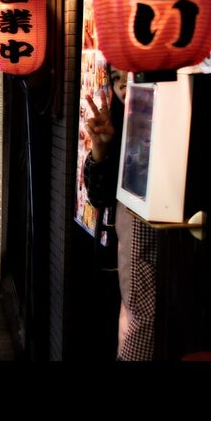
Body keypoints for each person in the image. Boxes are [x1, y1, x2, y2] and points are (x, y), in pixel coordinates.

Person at [83, 65, 159, 361]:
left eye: (133, 74)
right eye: (117, 79)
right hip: (119, 267)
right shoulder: (115, 124)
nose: (125, 85)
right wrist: (100, 152)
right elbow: (98, 197)